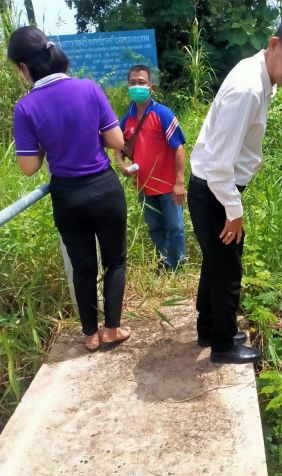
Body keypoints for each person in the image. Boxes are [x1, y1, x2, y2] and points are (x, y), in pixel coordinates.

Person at [188, 11, 282, 364]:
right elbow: (219, 166)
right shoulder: (248, 88)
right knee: (227, 269)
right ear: (275, 44)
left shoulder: (262, 74)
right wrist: (234, 211)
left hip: (213, 188)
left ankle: (209, 329)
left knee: (215, 264)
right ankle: (223, 345)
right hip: (216, 189)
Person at [8, 26, 131, 352]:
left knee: (83, 267)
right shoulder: (89, 88)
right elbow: (116, 140)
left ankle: (90, 335)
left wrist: (47, 141)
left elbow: (29, 167)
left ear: (24, 67)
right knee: (115, 261)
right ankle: (112, 329)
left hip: (67, 197)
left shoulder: (25, 108)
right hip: (104, 189)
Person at [116, 65, 186, 271]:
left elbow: (179, 148)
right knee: (155, 227)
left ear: (151, 88)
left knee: (175, 227)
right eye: (133, 83)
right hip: (144, 187)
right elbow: (118, 147)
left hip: (168, 186)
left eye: (141, 82)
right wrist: (122, 165)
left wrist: (180, 183)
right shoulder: (127, 119)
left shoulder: (162, 114)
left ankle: (179, 267)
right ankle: (165, 264)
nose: (136, 86)